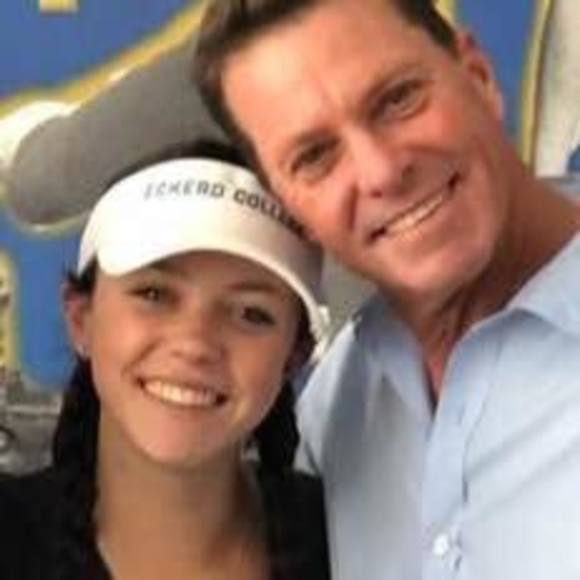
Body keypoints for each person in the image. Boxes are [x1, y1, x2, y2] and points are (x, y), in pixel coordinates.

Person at [193, 0, 580, 578]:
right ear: (290, 211)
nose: (380, 171)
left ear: (478, 78)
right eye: (315, 156)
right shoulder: (335, 405)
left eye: (398, 100)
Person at [0, 139, 330, 580]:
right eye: (154, 294)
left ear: (294, 355)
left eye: (251, 313)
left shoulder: (352, 539)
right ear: (81, 319)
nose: (194, 343)